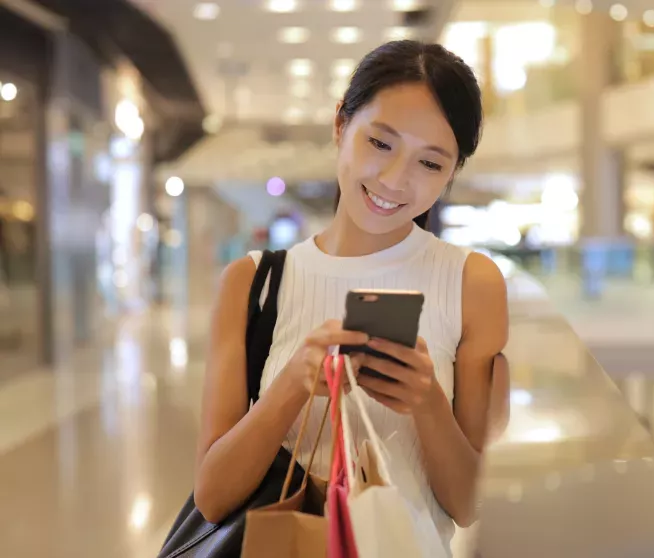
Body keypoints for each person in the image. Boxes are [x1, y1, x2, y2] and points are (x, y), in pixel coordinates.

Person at [193, 40, 509, 553]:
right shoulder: (254, 282)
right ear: (341, 124)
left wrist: (428, 401)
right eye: (380, 144)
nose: (393, 180)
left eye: (430, 164)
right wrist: (291, 386)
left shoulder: (472, 282)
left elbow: (469, 505)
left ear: (452, 173)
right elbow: (211, 497)